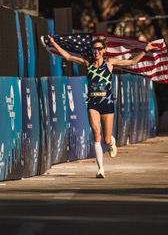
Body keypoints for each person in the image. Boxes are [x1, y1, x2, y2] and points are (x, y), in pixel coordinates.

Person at [47, 35, 155, 178]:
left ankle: (112, 142)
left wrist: (145, 50)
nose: (96, 51)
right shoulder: (88, 63)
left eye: (99, 49)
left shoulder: (110, 63)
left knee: (106, 140)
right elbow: (67, 57)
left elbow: (132, 62)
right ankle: (100, 169)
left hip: (107, 104)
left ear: (104, 50)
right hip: (93, 103)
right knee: (96, 134)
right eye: (94, 49)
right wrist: (54, 43)